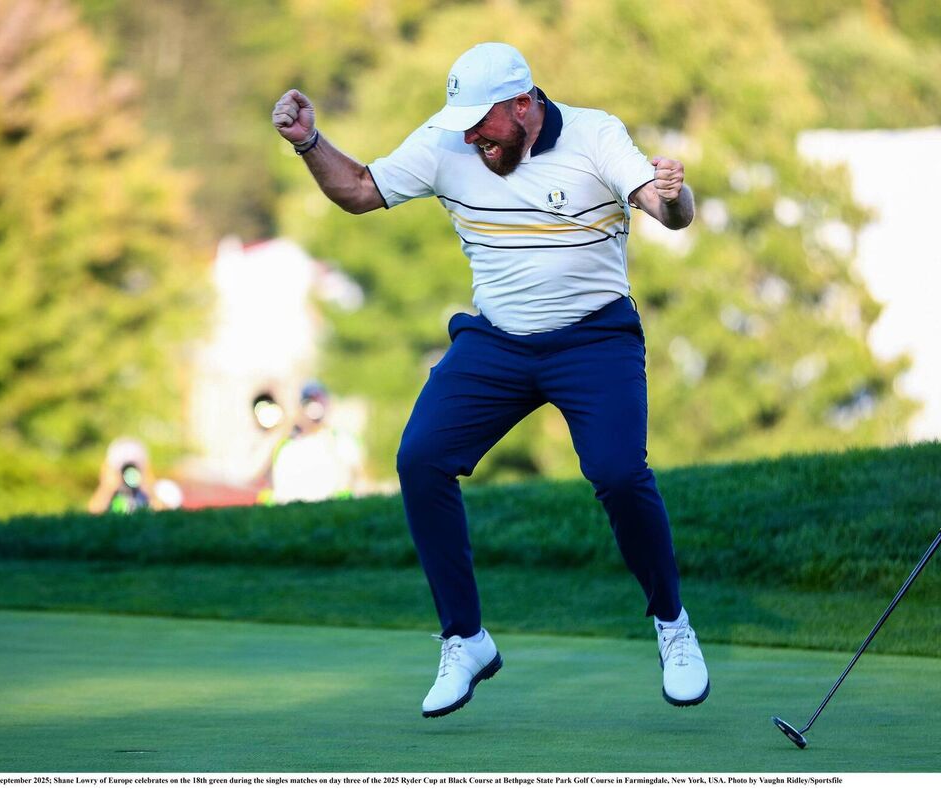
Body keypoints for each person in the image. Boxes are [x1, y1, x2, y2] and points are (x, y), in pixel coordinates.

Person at [273, 42, 707, 717]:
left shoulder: (595, 135)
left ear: (525, 105)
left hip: (594, 338)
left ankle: (673, 625)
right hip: (497, 341)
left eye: (485, 124)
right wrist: (309, 143)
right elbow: (360, 190)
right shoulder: (448, 142)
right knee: (420, 459)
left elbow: (661, 206)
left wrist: (677, 198)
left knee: (620, 473)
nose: (473, 138)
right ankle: (465, 638)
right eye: (465, 124)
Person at [264, 381, 364, 504]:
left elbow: (358, 478)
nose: (313, 408)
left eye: (318, 402)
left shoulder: (341, 440)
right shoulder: (284, 445)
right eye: (308, 402)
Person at [87, 437, 164, 514]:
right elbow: (93, 512)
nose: (128, 473)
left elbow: (163, 513)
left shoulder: (153, 491)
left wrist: (150, 490)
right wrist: (107, 488)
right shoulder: (111, 492)